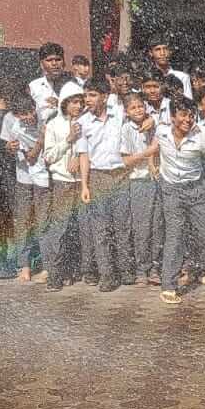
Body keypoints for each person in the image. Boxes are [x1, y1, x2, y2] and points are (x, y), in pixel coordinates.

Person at [155, 95, 205, 303]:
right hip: (171, 190)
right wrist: (151, 164)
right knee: (175, 236)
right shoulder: (161, 131)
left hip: (196, 189)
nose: (188, 119)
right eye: (183, 115)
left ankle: (202, 271)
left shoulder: (201, 136)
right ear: (172, 117)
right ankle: (169, 286)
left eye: (191, 115)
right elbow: (153, 148)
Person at [75, 79, 132, 292]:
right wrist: (85, 185)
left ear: (105, 96)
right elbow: (83, 155)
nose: (88, 100)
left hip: (120, 175)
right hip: (98, 177)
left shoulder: (119, 114)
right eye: (86, 96)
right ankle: (107, 275)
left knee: (123, 226)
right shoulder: (83, 122)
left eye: (92, 95)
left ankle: (126, 271)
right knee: (101, 229)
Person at [38, 91, 85, 291]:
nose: (78, 106)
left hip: (83, 181)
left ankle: (74, 271)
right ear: (64, 103)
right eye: (73, 102)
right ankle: (55, 274)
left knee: (80, 228)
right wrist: (68, 140)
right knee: (60, 229)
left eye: (81, 102)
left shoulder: (86, 121)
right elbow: (48, 156)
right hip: (62, 181)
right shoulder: (54, 125)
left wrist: (78, 158)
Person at [0, 94, 48, 281]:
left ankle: (48, 265)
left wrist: (40, 142)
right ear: (16, 115)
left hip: (45, 177)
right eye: (22, 114)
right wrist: (10, 148)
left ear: (34, 108)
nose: (28, 117)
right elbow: (12, 149)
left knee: (44, 221)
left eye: (30, 112)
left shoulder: (45, 118)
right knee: (23, 221)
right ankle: (24, 266)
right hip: (24, 177)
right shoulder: (13, 125)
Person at [120, 92, 162, 286]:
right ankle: (141, 269)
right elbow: (126, 160)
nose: (138, 110)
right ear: (126, 112)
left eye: (140, 106)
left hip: (158, 180)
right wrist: (148, 153)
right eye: (133, 107)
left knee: (157, 225)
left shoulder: (155, 124)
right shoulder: (126, 129)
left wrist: (154, 122)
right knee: (141, 228)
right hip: (139, 182)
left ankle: (155, 268)